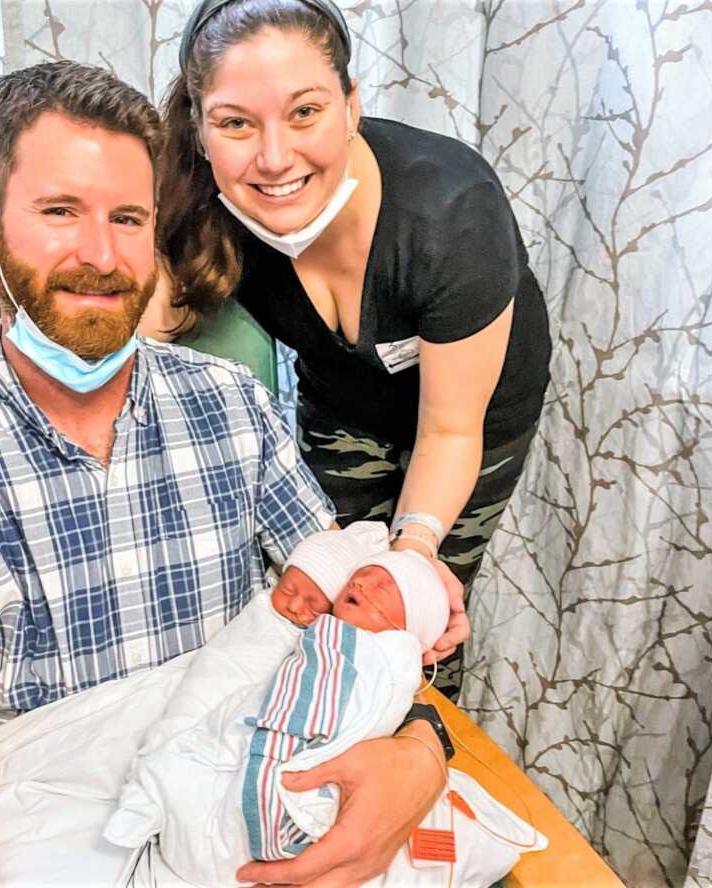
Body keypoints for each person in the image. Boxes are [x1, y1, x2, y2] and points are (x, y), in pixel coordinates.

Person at [0, 60, 458, 887]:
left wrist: (421, 752)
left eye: (127, 218)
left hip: (243, 810)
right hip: (50, 829)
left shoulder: (233, 407)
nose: (101, 254)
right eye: (59, 211)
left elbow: (342, 609)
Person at [160, 0, 553, 696]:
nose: (274, 157)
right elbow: (133, 331)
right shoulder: (203, 207)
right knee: (312, 587)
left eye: (304, 112)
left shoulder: (451, 214)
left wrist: (411, 556)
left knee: (412, 609)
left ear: (351, 105)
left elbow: (450, 428)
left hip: (474, 422)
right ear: (200, 129)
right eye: (236, 123)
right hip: (343, 401)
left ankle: (419, 754)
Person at [106, 545, 543, 888]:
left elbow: (369, 701)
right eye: (359, 578)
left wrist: (422, 744)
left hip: (300, 782)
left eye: (383, 586)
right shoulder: (315, 639)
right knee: (187, 755)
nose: (364, 583)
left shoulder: (383, 656)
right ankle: (151, 805)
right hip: (233, 743)